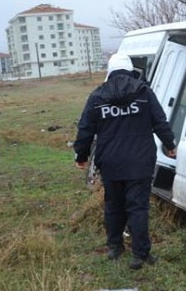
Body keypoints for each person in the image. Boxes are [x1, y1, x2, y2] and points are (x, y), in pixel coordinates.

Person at [74, 53, 176, 270]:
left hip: (110, 162)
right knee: (138, 208)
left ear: (109, 72)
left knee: (113, 205)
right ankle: (140, 254)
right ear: (130, 70)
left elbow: (85, 130)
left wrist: (81, 157)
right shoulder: (144, 93)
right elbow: (160, 122)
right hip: (140, 162)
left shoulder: (97, 96)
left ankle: (115, 247)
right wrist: (170, 145)